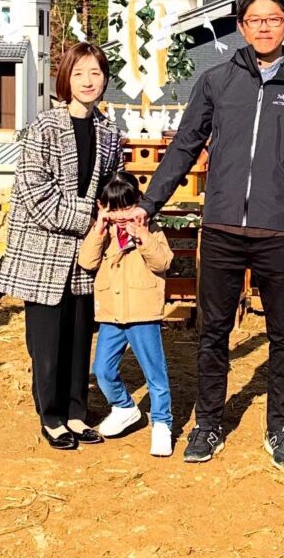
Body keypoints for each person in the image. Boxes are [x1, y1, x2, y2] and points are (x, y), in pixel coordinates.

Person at [135, 0, 284, 471]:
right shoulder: (218, 81)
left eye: (273, 19)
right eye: (254, 19)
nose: (263, 27)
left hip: (280, 232)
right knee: (213, 333)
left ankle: (283, 429)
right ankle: (209, 423)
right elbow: (185, 145)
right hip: (222, 227)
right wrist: (148, 204)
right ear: (241, 26)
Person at [0, 42, 122, 451]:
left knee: (79, 334)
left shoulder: (109, 131)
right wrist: (89, 218)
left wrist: (114, 212)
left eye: (96, 73)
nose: (88, 81)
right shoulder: (43, 127)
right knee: (47, 340)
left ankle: (76, 411)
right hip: (45, 249)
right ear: (65, 79)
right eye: (80, 73)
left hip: (86, 251)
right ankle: (50, 416)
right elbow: (34, 193)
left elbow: (113, 186)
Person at [78, 171, 175, 457]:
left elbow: (163, 262)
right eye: (113, 209)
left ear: (139, 203)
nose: (120, 215)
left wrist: (143, 235)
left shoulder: (151, 229)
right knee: (103, 371)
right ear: (101, 207)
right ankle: (124, 407)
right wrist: (98, 229)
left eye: (126, 208)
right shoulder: (103, 232)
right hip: (111, 312)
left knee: (155, 373)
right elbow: (87, 261)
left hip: (143, 312)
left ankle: (162, 424)